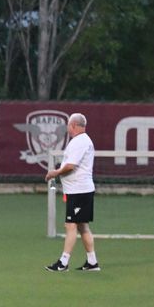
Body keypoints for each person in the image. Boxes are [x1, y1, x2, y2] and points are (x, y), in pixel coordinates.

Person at [45, 112, 100, 272]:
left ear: (74, 125)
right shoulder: (83, 141)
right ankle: (92, 262)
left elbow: (71, 166)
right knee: (83, 226)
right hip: (80, 190)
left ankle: (63, 263)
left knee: (70, 225)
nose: (68, 129)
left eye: (68, 126)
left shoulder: (79, 142)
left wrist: (54, 173)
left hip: (79, 191)